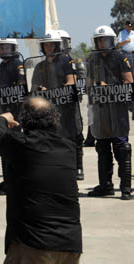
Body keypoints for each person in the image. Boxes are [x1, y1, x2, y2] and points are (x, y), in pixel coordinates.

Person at [0, 97, 82, 264]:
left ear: (24, 119)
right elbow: (15, 141)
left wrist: (2, 118)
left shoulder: (22, 145)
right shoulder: (68, 148)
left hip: (34, 245)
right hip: (70, 243)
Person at [86, 25, 133, 200]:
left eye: (104, 39)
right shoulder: (92, 59)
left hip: (118, 110)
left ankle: (126, 188)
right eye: (99, 40)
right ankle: (105, 185)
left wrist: (111, 88)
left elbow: (129, 83)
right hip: (101, 110)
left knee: (122, 148)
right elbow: (89, 85)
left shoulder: (121, 57)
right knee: (102, 147)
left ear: (111, 40)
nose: (102, 43)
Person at [30, 30, 84, 182]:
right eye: (46, 45)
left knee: (73, 136)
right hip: (48, 109)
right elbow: (34, 88)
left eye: (51, 45)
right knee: (51, 139)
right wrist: (39, 91)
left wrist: (54, 92)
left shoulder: (67, 60)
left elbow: (71, 82)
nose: (48, 48)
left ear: (57, 45)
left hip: (67, 106)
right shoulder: (39, 66)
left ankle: (78, 167)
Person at [0, 38, 25, 195]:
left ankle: (14, 182)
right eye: (1, 47)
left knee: (13, 148)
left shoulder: (17, 64)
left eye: (6, 47)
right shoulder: (0, 66)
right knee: (4, 147)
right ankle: (7, 179)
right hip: (3, 109)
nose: (4, 50)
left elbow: (21, 85)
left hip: (15, 112)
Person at [58, 29, 86, 180]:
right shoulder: (50, 61)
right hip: (54, 103)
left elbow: (81, 77)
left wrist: (76, 92)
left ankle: (78, 167)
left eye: (63, 41)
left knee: (75, 134)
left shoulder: (75, 58)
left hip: (71, 102)